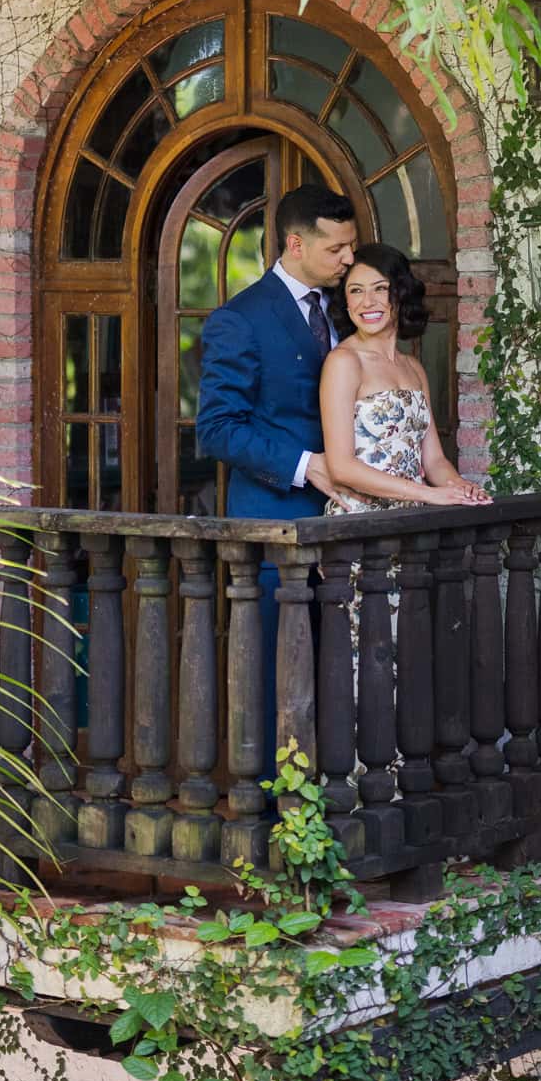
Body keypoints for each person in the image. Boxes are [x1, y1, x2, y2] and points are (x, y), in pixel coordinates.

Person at [195, 183, 357, 772]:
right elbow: (216, 428)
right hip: (272, 525)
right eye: (337, 248)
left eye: (351, 247)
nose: (347, 259)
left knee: (335, 668)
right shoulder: (240, 319)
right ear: (295, 243)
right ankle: (271, 818)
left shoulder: (344, 307)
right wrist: (303, 465)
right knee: (274, 673)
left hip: (343, 526)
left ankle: (329, 800)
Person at [320, 244, 489, 512]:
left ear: (401, 293)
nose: (367, 301)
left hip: (410, 519)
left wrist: (460, 487)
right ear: (346, 301)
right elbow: (342, 468)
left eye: (380, 288)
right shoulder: (343, 362)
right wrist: (427, 494)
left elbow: (433, 460)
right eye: (356, 291)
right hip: (359, 521)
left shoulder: (413, 368)